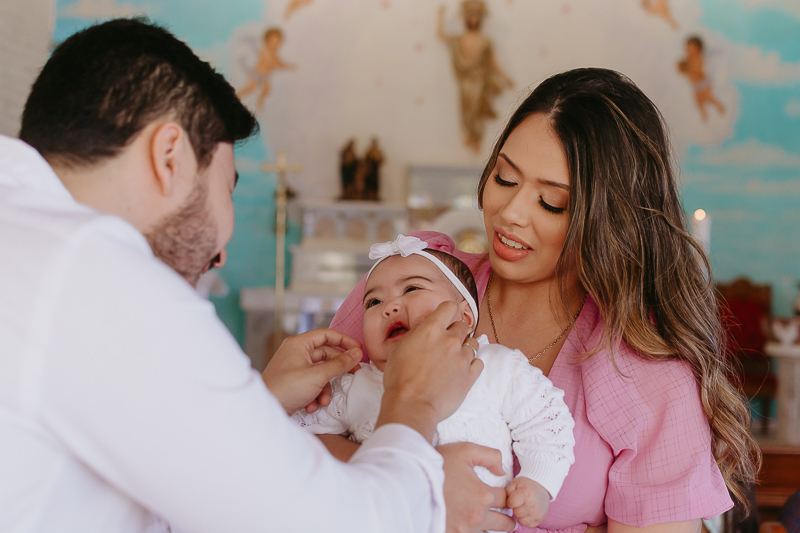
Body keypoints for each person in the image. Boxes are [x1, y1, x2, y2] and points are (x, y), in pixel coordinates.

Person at [0, 18, 484, 533]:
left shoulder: (30, 240)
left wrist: (261, 401)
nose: (221, 255)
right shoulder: (101, 275)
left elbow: (157, 457)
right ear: (169, 157)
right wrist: (413, 404)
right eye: (227, 188)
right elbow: (335, 523)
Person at [327, 68, 760, 532]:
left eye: (552, 202)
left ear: (612, 221)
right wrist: (422, 490)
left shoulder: (646, 369)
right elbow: (291, 450)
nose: (510, 213)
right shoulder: (413, 280)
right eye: (504, 178)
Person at [293, 234, 576, 529]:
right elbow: (296, 439)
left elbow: (547, 420)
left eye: (412, 288)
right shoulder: (355, 385)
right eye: (374, 302)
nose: (389, 307)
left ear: (464, 316)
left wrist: (538, 482)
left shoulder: (494, 366)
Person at [437, 1, 513, 152]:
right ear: (466, 18)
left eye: (476, 16)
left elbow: (492, 63)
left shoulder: (485, 41)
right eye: (471, 16)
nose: (474, 19)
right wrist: (440, 15)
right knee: (466, 110)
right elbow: (441, 35)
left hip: (479, 81)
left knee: (477, 110)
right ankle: (469, 136)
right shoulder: (459, 39)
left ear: (480, 19)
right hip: (465, 81)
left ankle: (476, 138)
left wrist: (505, 78)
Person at [237, 27, 295, 111]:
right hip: (256, 73)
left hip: (265, 77)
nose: (275, 44)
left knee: (267, 89)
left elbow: (279, 63)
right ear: (267, 41)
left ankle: (260, 102)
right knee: (251, 87)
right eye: (273, 41)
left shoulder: (274, 54)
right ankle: (237, 95)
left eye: (277, 42)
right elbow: (275, 62)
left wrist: (286, 66)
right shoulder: (265, 51)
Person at [677, 35, 725, 122]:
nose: (690, 51)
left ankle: (718, 105)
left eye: (692, 49)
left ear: (698, 49)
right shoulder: (687, 60)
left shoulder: (698, 59)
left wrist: (689, 68)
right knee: (698, 100)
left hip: (703, 82)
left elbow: (698, 70)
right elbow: (682, 70)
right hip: (695, 85)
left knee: (707, 97)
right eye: (688, 49)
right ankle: (703, 114)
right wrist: (683, 68)